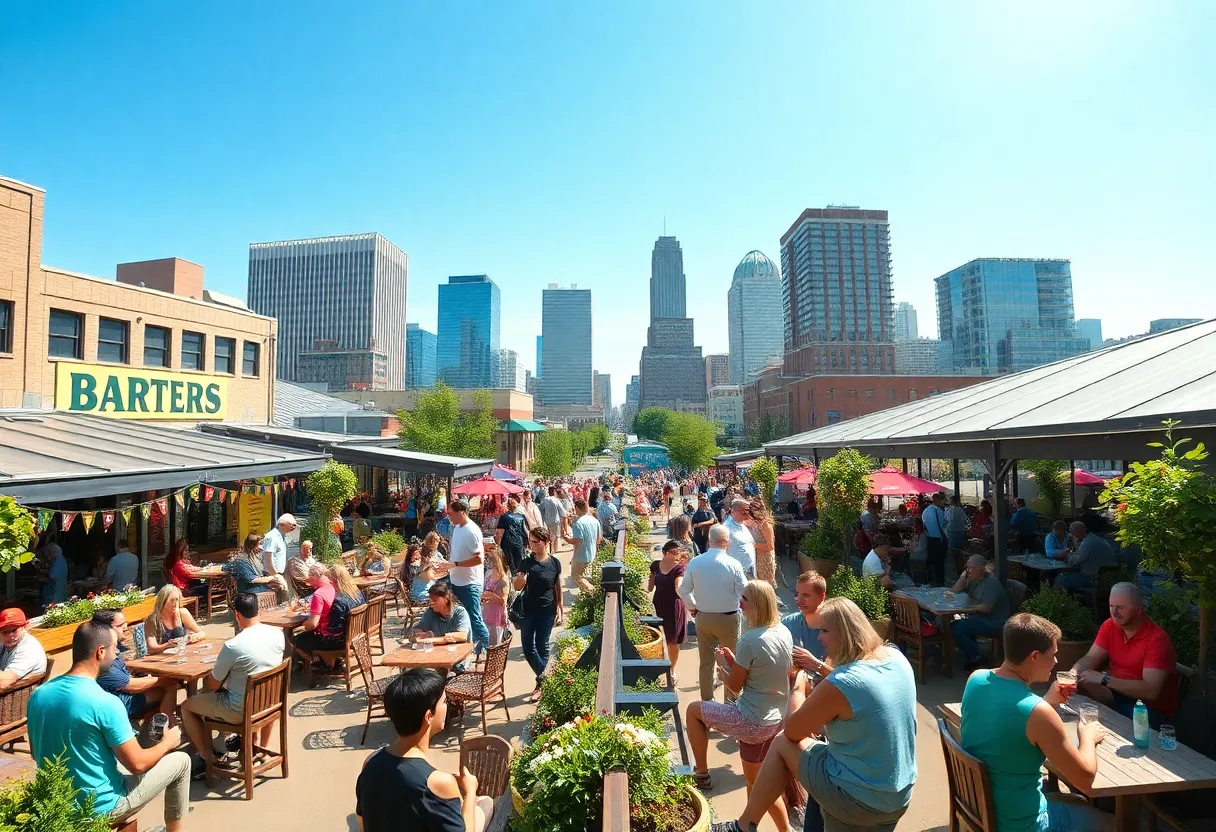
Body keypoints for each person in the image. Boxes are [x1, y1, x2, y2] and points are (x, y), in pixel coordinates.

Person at [709, 597, 918, 832]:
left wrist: (798, 686)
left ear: (847, 633)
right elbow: (861, 701)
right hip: (898, 795)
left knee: (781, 743)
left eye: (824, 630)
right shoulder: (896, 658)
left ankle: (745, 825)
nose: (819, 638)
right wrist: (820, 668)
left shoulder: (842, 683)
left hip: (860, 800)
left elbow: (792, 730)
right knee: (820, 761)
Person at [30, 619, 191, 830]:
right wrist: (167, 743)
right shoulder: (105, 702)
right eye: (115, 649)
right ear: (100, 652)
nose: (116, 656)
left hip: (55, 805)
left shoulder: (38, 695)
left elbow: (36, 752)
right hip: (101, 807)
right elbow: (137, 764)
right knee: (182, 761)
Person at [961, 613, 1114, 832]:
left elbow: (1012, 718)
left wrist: (1046, 702)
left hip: (981, 808)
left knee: (1074, 801)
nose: (1056, 662)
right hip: (1022, 824)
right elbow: (1085, 780)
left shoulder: (975, 679)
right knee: (1113, 823)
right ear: (1034, 656)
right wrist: (1087, 737)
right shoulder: (1038, 713)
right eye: (1052, 655)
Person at [687, 581, 792, 832]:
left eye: (744, 599)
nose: (739, 603)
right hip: (775, 718)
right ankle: (766, 827)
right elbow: (761, 673)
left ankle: (701, 772)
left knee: (693, 710)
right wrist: (735, 662)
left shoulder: (749, 640)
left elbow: (734, 688)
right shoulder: (783, 632)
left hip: (752, 721)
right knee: (756, 784)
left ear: (756, 603)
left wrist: (722, 667)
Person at [355, 668, 493, 832]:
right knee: (485, 802)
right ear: (428, 716)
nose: (447, 706)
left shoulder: (370, 761)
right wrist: (470, 791)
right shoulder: (438, 782)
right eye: (444, 702)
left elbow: (362, 822)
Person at [181, 592, 286, 771]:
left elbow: (212, 685)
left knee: (186, 706)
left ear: (237, 615)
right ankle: (257, 748)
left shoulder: (233, 646)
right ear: (257, 610)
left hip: (240, 710)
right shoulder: (277, 634)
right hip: (271, 702)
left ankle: (207, 756)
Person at [1070, 582, 1179, 725]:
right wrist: (1073, 673)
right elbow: (1091, 657)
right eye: (1111, 606)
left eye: (1120, 608)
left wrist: (1104, 680)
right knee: (1074, 700)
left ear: (1139, 609)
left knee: (1090, 718)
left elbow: (1151, 691)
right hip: (1116, 696)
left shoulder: (1157, 640)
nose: (1114, 612)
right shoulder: (1110, 625)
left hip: (1148, 711)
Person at [678, 524, 748, 702]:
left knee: (706, 662)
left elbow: (683, 590)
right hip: (729, 618)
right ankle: (730, 703)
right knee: (730, 662)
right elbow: (744, 591)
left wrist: (692, 607)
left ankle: (707, 703)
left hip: (704, 617)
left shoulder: (696, 562)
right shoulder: (734, 564)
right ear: (727, 542)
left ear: (709, 541)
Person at [92, 609, 177, 725]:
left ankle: (153, 726)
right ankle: (167, 727)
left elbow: (122, 671)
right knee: (169, 686)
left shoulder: (107, 647)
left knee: (163, 684)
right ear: (106, 629)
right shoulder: (103, 655)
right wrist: (164, 680)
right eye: (120, 625)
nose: (126, 627)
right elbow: (130, 686)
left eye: (125, 623)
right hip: (120, 703)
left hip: (118, 696)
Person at [513, 526, 563, 699]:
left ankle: (540, 685)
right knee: (528, 649)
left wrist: (560, 607)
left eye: (535, 542)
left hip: (547, 610)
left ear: (545, 542)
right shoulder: (526, 562)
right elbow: (517, 587)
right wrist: (519, 580)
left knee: (543, 646)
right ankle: (547, 679)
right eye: (530, 541)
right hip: (528, 611)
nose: (531, 544)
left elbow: (556, 586)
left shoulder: (555, 563)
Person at [950, 555, 1012, 672]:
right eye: (966, 567)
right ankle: (974, 656)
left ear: (981, 569)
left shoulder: (991, 583)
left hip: (995, 621)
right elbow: (955, 591)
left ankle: (977, 657)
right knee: (956, 625)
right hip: (981, 618)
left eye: (970, 568)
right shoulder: (973, 579)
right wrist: (963, 577)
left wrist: (965, 609)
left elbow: (986, 608)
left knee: (958, 627)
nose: (968, 570)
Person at [447, 500, 491, 656]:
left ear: (462, 512)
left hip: (470, 583)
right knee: (462, 618)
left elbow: (479, 559)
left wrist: (455, 564)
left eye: (451, 513)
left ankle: (489, 652)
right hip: (458, 581)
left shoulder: (471, 530)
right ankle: (475, 651)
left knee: (475, 619)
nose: (448, 516)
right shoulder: (458, 528)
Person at [649, 541, 688, 685]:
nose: (677, 554)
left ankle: (672, 670)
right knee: (658, 637)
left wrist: (690, 602)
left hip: (674, 606)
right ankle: (658, 668)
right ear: (665, 553)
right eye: (675, 552)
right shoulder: (655, 565)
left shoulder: (679, 568)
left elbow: (679, 586)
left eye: (679, 551)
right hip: (658, 604)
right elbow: (650, 586)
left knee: (672, 640)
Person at [1052, 521, 1117, 591]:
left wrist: (1068, 553)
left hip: (1093, 579)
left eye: (1071, 531)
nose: (1070, 534)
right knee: (1069, 574)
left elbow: (1073, 561)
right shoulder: (1095, 539)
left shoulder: (1087, 543)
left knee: (1059, 579)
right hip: (1108, 579)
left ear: (1075, 532)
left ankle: (1062, 601)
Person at [142, 584, 206, 654]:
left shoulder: (183, 613)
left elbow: (202, 633)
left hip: (182, 654)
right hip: (161, 658)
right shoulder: (152, 620)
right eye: (171, 600)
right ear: (163, 602)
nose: (175, 603)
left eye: (176, 600)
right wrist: (166, 646)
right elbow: (151, 648)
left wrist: (194, 636)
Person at [0, 608, 47, 689]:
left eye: (14, 630)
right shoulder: (6, 643)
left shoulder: (29, 649)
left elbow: (2, 683)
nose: (10, 635)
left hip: (19, 698)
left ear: (24, 627)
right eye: (5, 632)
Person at [226, 533, 286, 597]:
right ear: (252, 545)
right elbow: (252, 579)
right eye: (260, 544)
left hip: (259, 588)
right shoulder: (242, 561)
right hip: (249, 592)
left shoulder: (258, 557)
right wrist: (273, 578)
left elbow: (266, 571)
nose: (263, 547)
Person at [563, 498, 601, 594]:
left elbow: (577, 540)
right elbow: (599, 538)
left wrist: (566, 538)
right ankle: (588, 594)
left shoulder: (578, 523)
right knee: (584, 576)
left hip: (581, 555)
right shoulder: (594, 520)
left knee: (577, 577)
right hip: (592, 553)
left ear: (577, 508)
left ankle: (593, 593)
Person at [480, 548, 509, 646]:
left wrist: (491, 596)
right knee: (486, 643)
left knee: (496, 644)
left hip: (497, 614)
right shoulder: (488, 574)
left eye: (490, 558)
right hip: (487, 612)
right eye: (487, 558)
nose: (488, 561)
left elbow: (503, 601)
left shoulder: (503, 578)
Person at [723, 499, 758, 580]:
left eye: (748, 511)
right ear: (734, 511)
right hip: (738, 572)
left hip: (749, 568)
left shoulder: (742, 524)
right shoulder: (727, 528)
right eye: (744, 511)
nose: (747, 513)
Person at [748, 497, 777, 590]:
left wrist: (753, 545)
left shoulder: (766, 525)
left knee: (765, 587)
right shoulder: (753, 523)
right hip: (756, 558)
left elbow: (770, 546)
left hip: (764, 560)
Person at [921, 491, 949, 586]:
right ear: (935, 499)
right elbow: (936, 526)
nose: (941, 502)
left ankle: (934, 580)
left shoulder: (937, 511)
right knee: (937, 563)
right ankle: (937, 582)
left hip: (935, 539)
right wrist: (942, 538)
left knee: (936, 562)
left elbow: (942, 524)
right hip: (936, 539)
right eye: (940, 499)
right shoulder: (931, 511)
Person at [494, 497, 527, 575]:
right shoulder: (521, 516)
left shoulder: (504, 517)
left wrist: (497, 545)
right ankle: (520, 581)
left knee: (510, 564)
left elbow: (500, 533)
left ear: (507, 506)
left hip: (508, 543)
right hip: (519, 542)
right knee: (519, 563)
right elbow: (524, 530)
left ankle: (513, 580)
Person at [260, 513, 297, 578]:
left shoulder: (282, 537)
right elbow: (268, 558)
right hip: (271, 575)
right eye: (291, 524)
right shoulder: (272, 537)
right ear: (281, 525)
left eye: (295, 525)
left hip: (278, 575)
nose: (293, 527)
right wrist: (275, 575)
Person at [539, 487, 566, 555]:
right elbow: (562, 511)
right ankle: (554, 552)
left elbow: (540, 510)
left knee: (549, 536)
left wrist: (542, 520)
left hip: (547, 521)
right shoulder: (556, 500)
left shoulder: (544, 500)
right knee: (556, 537)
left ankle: (550, 550)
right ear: (554, 492)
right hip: (555, 521)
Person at [41, 542, 68, 607]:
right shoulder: (61, 559)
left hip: (54, 592)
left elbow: (54, 577)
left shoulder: (58, 561)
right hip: (60, 589)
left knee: (52, 609)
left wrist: (44, 575)